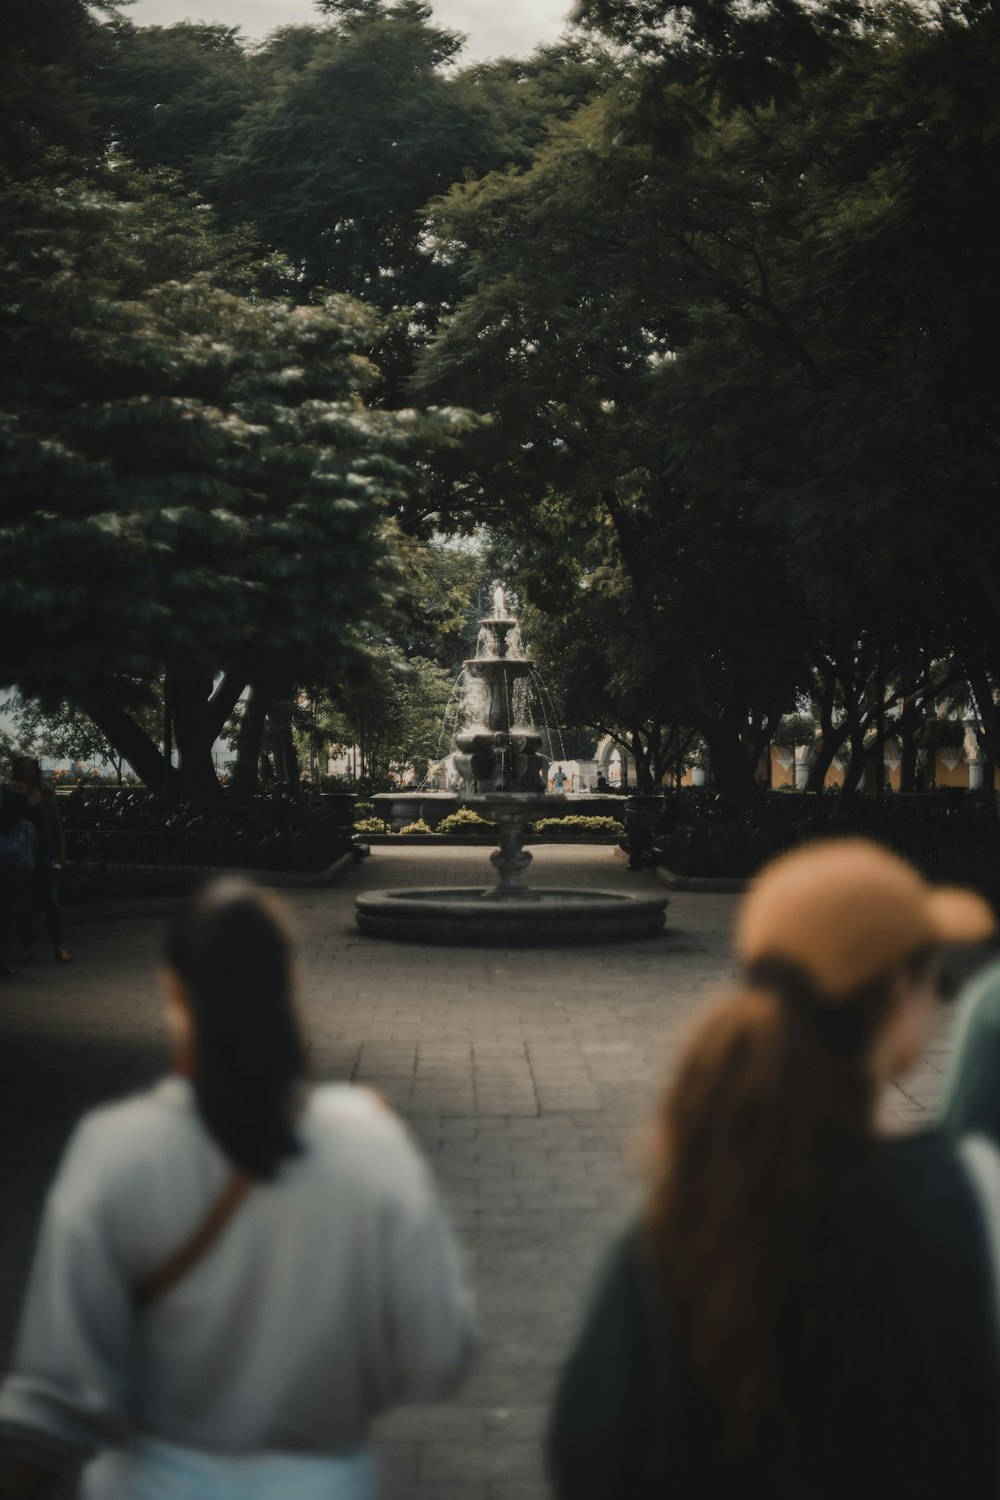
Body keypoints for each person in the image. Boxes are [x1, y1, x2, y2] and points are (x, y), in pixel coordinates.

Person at [549, 839, 1000, 1500]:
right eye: (934, 973)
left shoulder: (673, 1226)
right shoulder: (977, 1196)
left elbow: (587, 1452)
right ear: (901, 990)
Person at [0, 881, 474, 1500]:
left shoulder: (115, 1149)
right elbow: (437, 1354)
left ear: (173, 993)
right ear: (290, 986)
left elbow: (55, 1399)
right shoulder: (366, 1141)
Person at [10, 756, 71, 964]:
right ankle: (27, 947)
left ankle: (58, 946)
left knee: (51, 902)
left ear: (36, 771)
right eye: (22, 770)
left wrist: (62, 853)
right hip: (22, 856)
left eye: (30, 769)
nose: (27, 773)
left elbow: (57, 825)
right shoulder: (12, 794)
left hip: (45, 854)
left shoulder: (45, 795)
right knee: (24, 904)